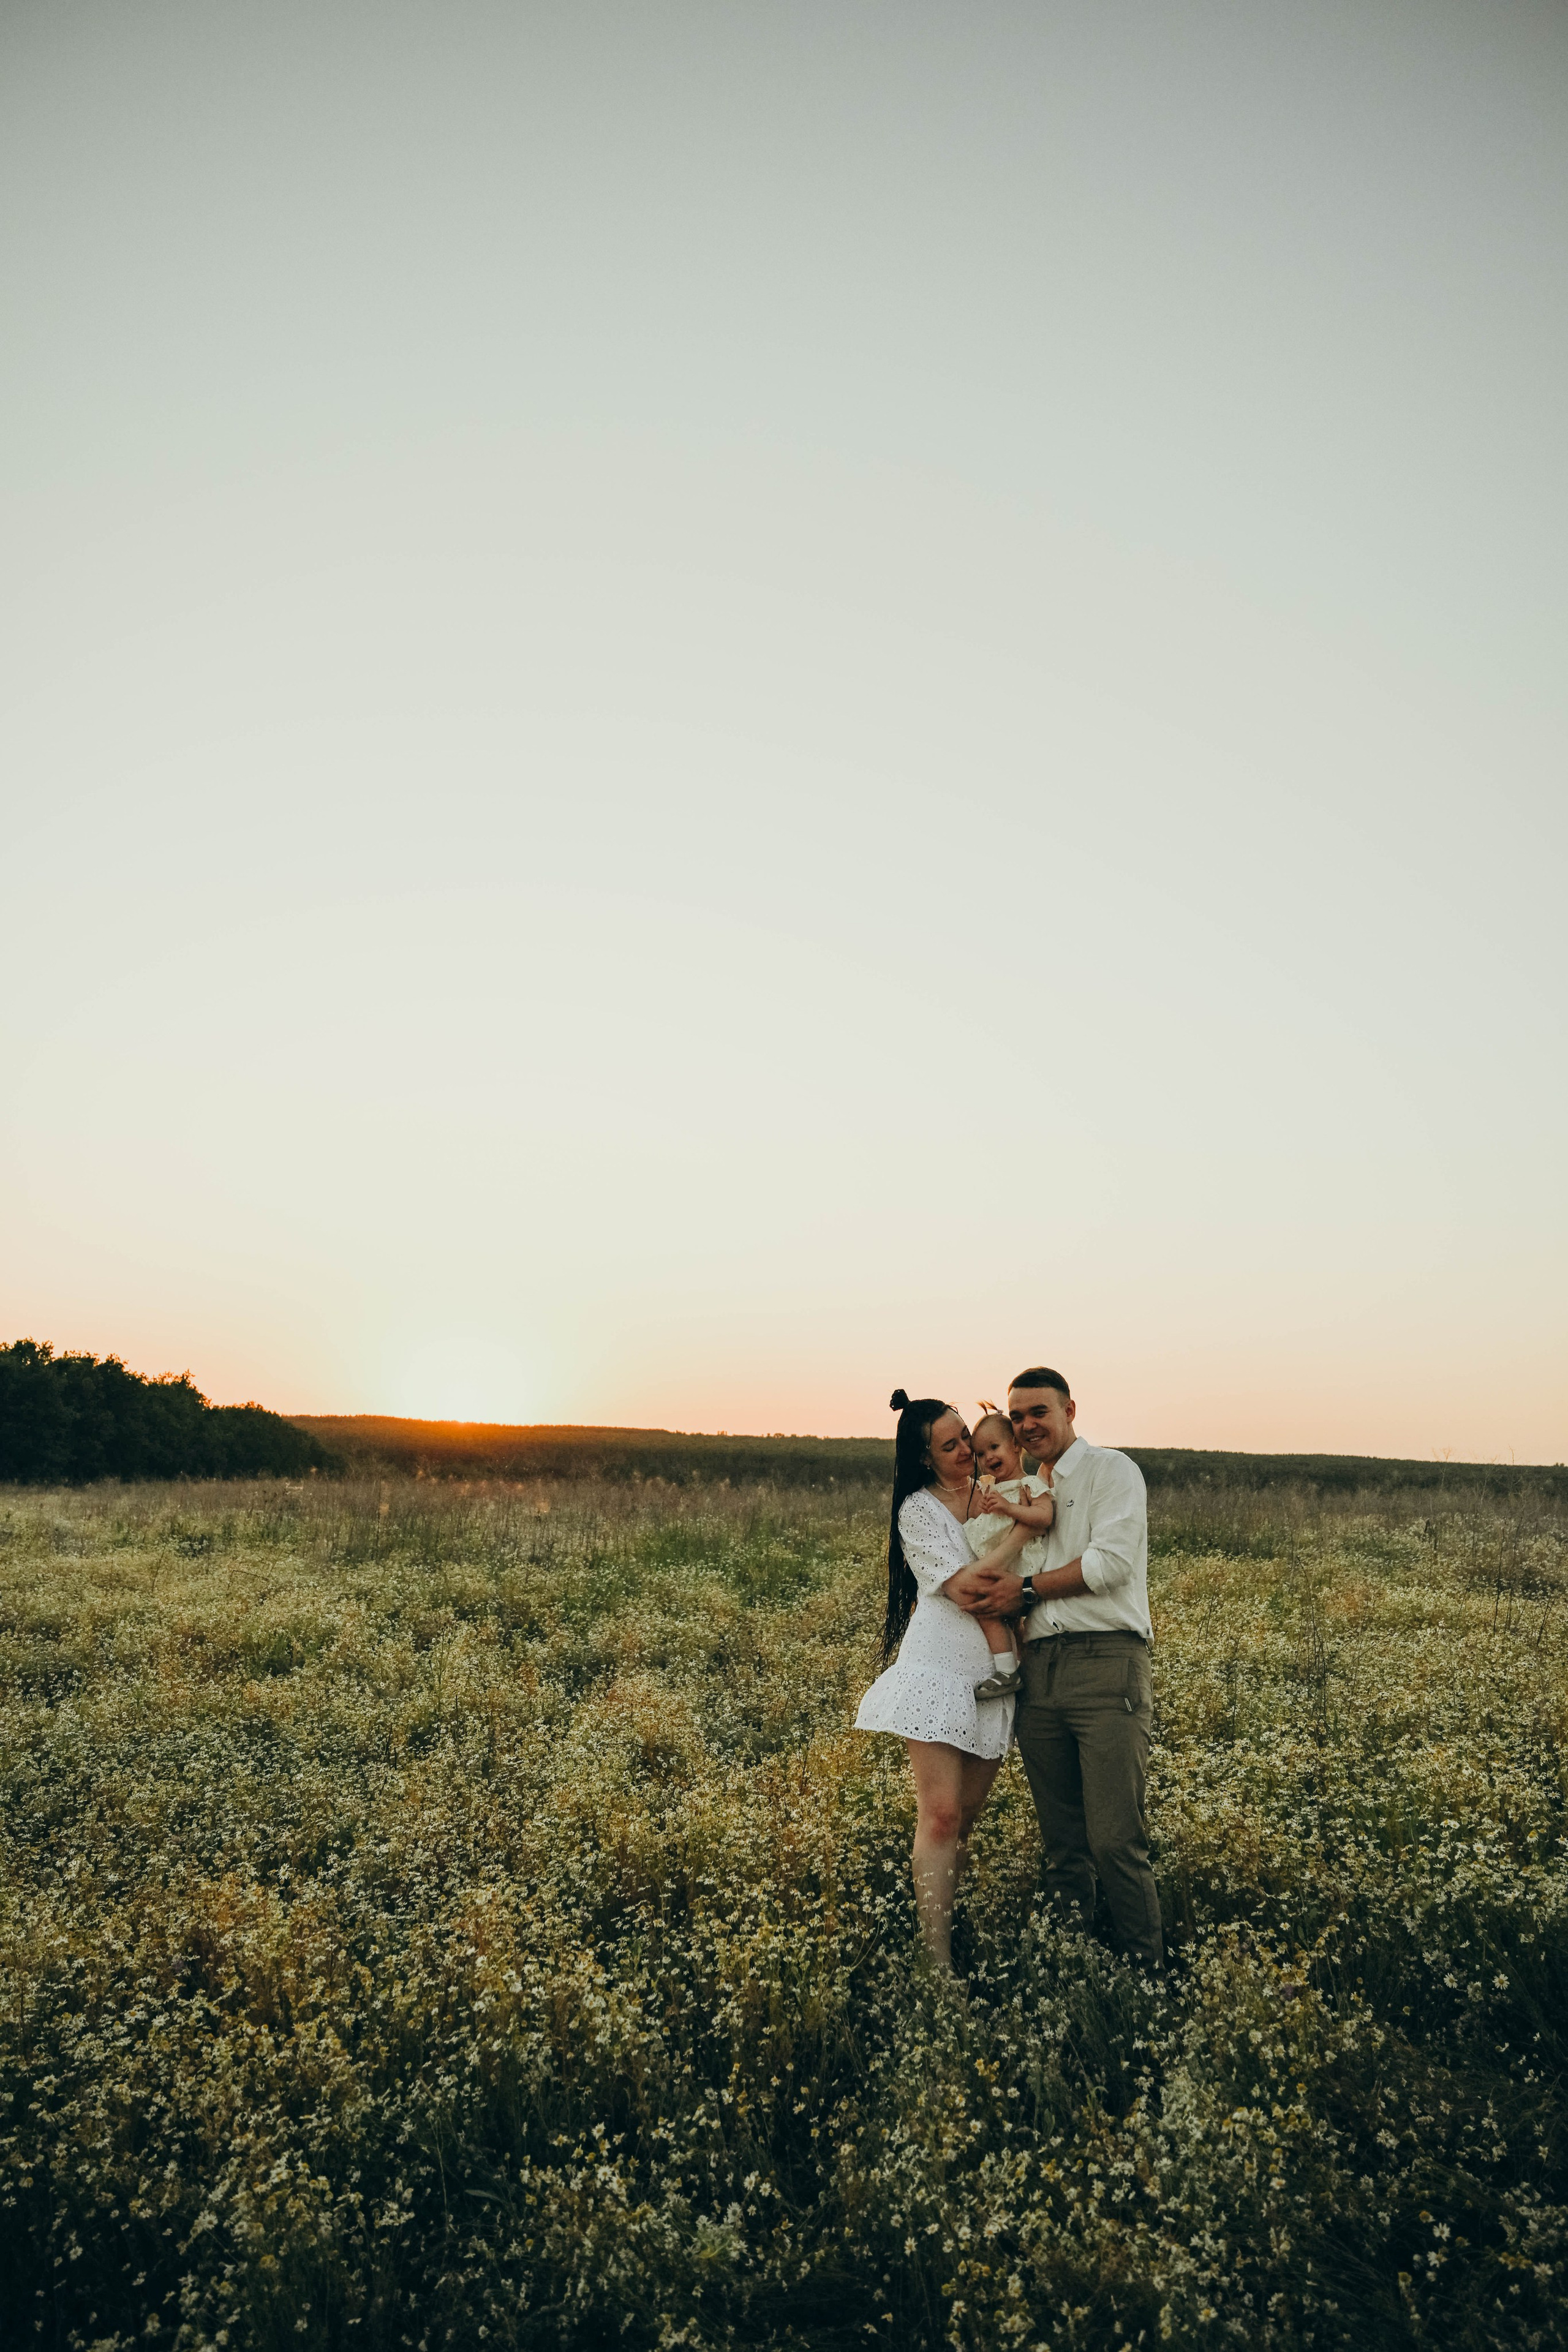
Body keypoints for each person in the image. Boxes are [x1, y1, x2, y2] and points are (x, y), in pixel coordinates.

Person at [945, 1367, 1164, 1973]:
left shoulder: (1110, 1471)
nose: (1027, 1425)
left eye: (1038, 1412)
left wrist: (1023, 1592)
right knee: (1065, 1845)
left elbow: (1109, 1566)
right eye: (1017, 1417)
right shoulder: (1022, 1485)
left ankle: (1145, 1979)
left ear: (1070, 1408)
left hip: (1105, 1664)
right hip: (1039, 1671)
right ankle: (1072, 1970)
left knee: (1115, 1840)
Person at [854, 1389, 1032, 1972]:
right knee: (941, 1815)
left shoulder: (998, 1489)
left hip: (995, 1674)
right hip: (937, 1669)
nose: (965, 1451)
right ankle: (935, 1960)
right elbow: (964, 1589)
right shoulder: (919, 1510)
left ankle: (945, 1917)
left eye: (966, 1438)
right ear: (925, 1457)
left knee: (967, 1819)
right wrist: (1024, 1533)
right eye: (950, 1445)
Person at [967, 1407, 1055, 1700]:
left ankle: (1007, 1671)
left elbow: (1044, 1517)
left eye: (994, 1447)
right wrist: (983, 1510)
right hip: (998, 1560)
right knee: (1004, 1619)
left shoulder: (1028, 1484)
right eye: (980, 1454)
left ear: (1016, 1446)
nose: (988, 1458)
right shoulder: (986, 1489)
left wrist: (1008, 1508)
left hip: (1019, 1567)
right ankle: (1017, 1666)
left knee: (991, 1610)